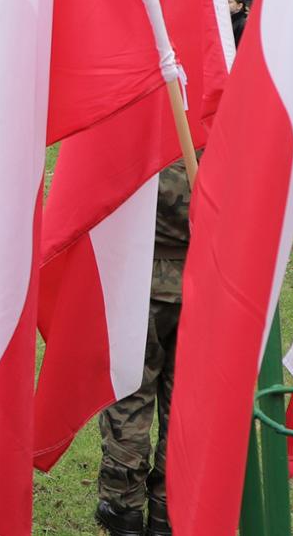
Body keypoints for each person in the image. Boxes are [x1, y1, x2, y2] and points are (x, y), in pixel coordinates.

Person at [95, 160, 190, 536]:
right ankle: (169, 511)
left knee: (130, 395)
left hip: (139, 278)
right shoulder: (224, 128)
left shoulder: (142, 126)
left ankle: (124, 507)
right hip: (204, 281)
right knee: (185, 405)